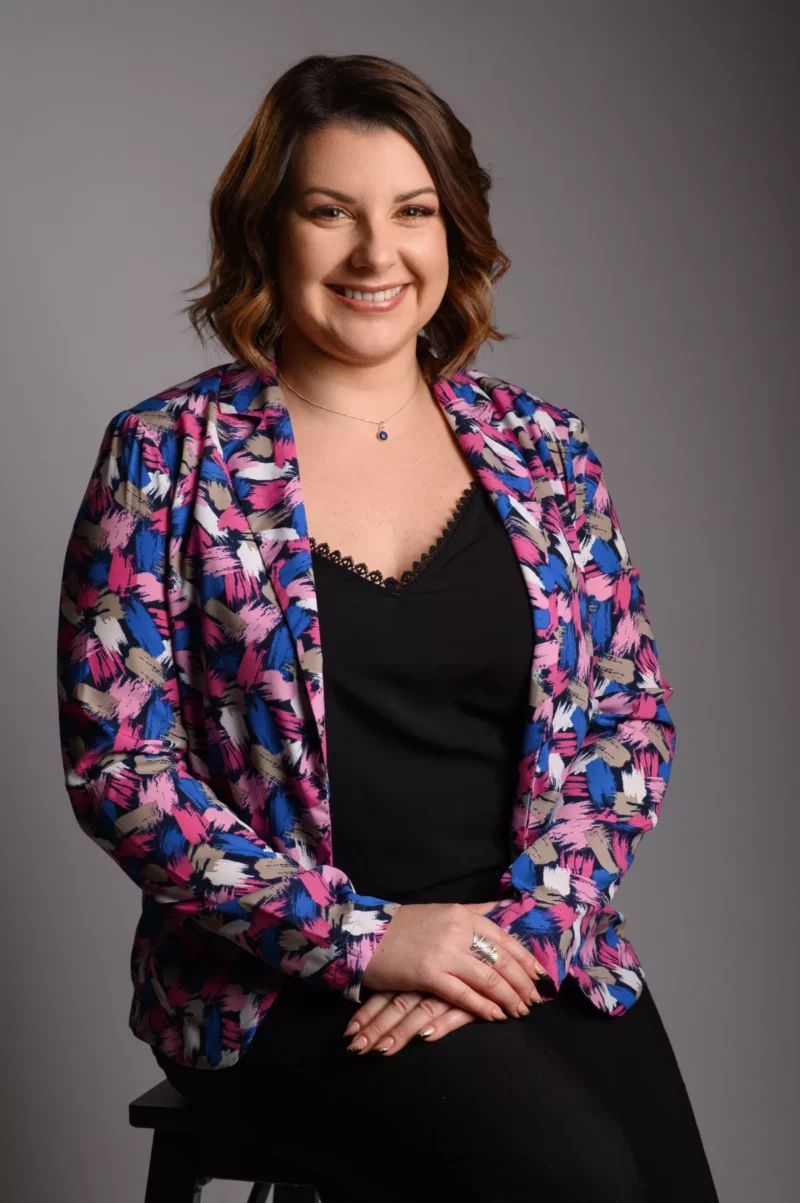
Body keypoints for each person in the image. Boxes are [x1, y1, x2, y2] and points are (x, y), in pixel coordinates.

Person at [57, 53, 719, 1203]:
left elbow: (626, 719)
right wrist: (367, 941)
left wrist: (524, 926)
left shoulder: (545, 453)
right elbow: (125, 771)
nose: (376, 254)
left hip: (523, 941)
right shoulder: (166, 457)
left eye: (411, 212)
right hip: (276, 980)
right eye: (329, 212)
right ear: (266, 231)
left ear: (453, 231)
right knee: (572, 1183)